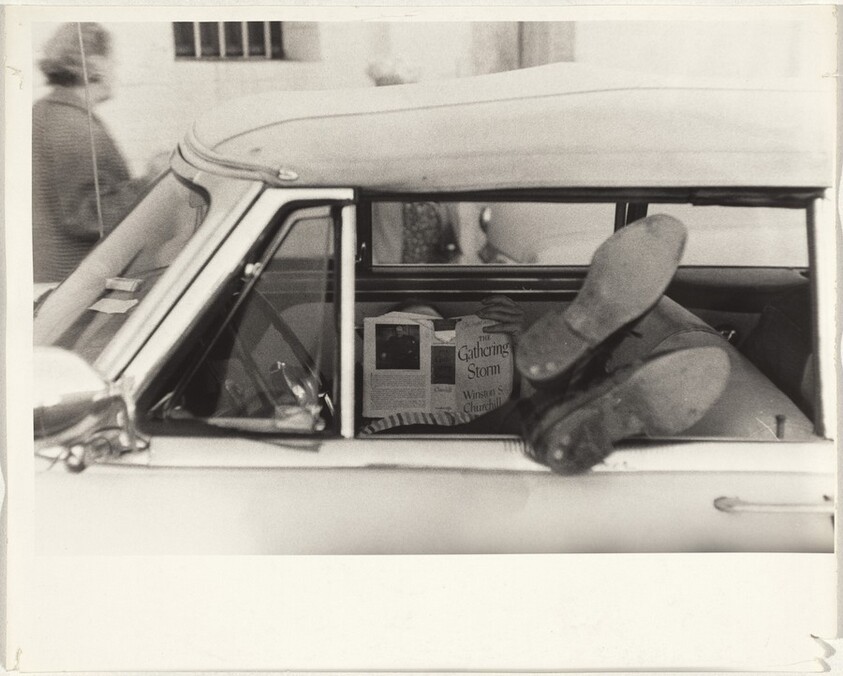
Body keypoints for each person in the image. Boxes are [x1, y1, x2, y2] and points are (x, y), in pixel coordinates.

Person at [363, 215, 732, 475]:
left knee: (488, 413)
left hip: (434, 442)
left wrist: (505, 333)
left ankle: (557, 394)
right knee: (489, 412)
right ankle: (562, 389)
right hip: (417, 431)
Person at [32, 22, 160, 283]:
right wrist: (150, 181)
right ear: (96, 64)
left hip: (50, 281)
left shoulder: (44, 112)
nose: (116, 72)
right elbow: (85, 215)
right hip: (68, 285)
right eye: (113, 63)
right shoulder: (74, 127)